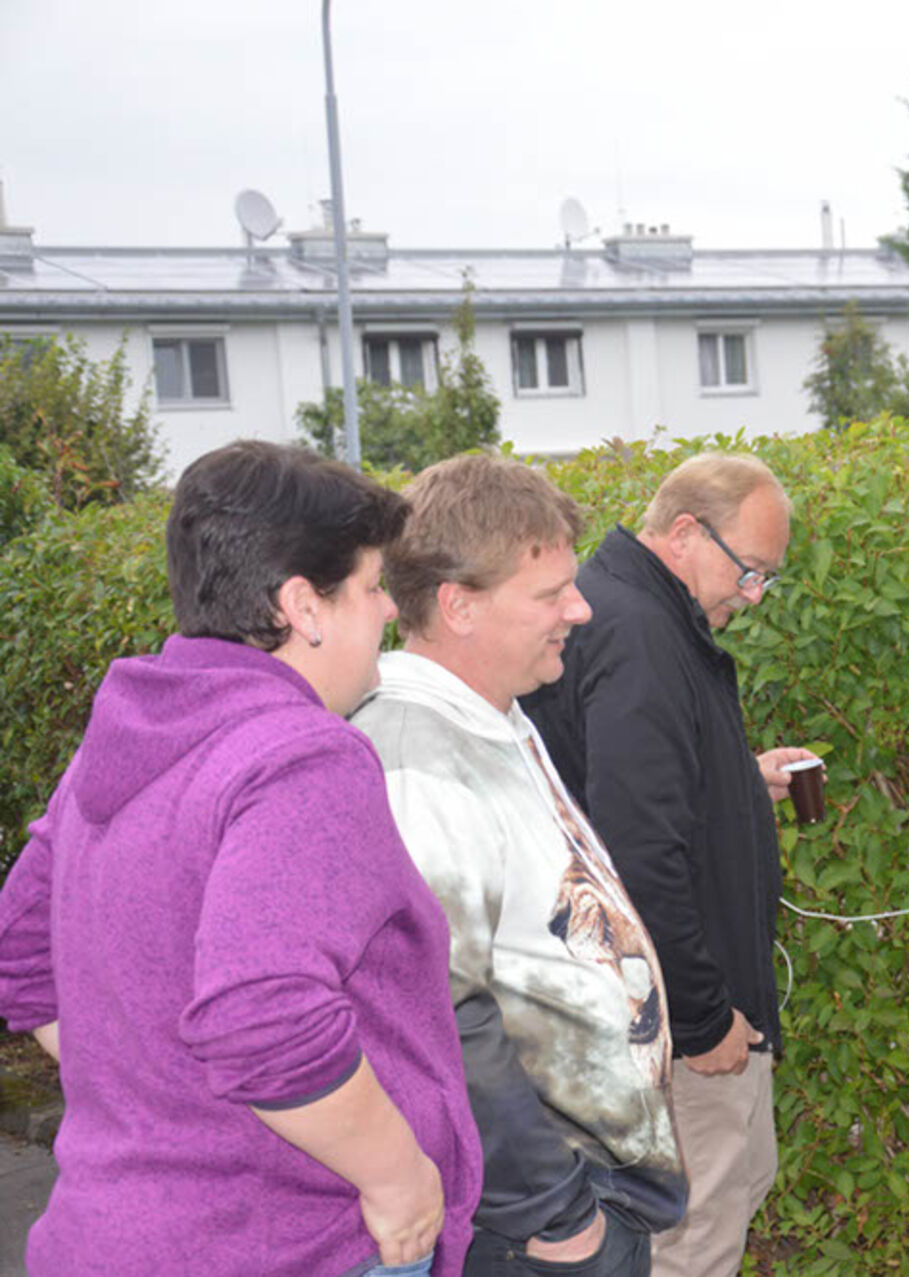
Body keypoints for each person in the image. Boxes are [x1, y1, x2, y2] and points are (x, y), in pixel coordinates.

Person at [0, 440, 482, 1277]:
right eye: (372, 588)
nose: (387, 616)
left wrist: (154, 1092)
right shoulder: (303, 757)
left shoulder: (130, 733)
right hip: (287, 1242)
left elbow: (19, 944)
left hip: (103, 1240)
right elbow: (263, 1017)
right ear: (305, 605)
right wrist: (399, 1175)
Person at [352, 453, 685, 1277]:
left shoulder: (497, 711)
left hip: (579, 1199)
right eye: (548, 595)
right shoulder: (412, 754)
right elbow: (436, 1006)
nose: (579, 608)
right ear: (459, 605)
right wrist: (551, 1213)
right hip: (535, 1229)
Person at [524, 451, 814, 1277]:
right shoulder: (643, 634)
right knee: (691, 1242)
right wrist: (699, 1019)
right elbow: (639, 852)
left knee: (734, 1188)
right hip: (674, 1026)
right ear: (686, 533)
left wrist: (736, 776)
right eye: (750, 570)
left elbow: (624, 786)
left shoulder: (631, 612)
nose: (752, 596)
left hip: (670, 1014)